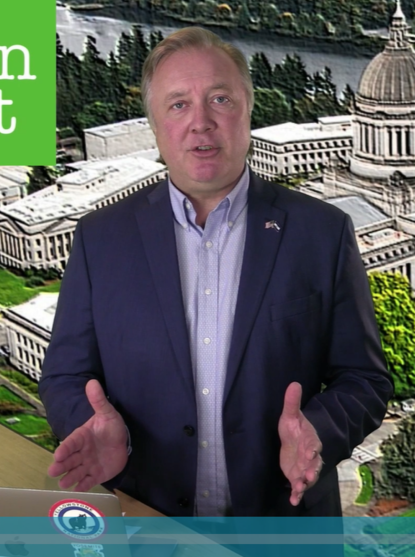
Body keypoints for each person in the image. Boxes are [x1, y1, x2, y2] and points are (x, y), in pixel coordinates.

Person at [40, 26, 391, 519]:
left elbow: (364, 379)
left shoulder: (322, 233)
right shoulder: (101, 239)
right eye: (178, 104)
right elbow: (65, 374)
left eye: (220, 99)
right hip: (145, 523)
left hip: (284, 531)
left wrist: (318, 431)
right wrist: (91, 425)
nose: (201, 122)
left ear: (248, 111)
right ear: (155, 125)